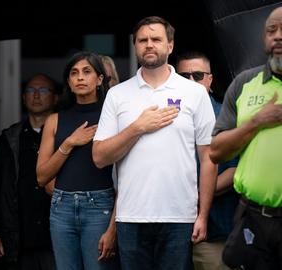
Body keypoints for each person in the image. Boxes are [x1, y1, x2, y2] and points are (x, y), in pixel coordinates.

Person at [92, 16, 217, 270]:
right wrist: (138, 127)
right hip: (130, 218)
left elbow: (208, 158)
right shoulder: (118, 95)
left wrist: (203, 215)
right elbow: (99, 157)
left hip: (179, 217)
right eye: (142, 40)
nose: (149, 44)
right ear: (135, 46)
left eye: (156, 39)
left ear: (170, 45)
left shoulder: (194, 93)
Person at [210, 7, 282, 270]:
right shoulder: (244, 83)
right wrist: (258, 121)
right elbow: (216, 152)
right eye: (271, 30)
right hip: (253, 218)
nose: (277, 37)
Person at [36, 51, 120, 270]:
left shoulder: (112, 117)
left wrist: (113, 228)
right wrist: (70, 142)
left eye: (87, 71)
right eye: (74, 73)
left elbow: (126, 177)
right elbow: (42, 176)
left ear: (100, 79)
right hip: (61, 208)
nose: (80, 77)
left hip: (100, 206)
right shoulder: (55, 120)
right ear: (68, 82)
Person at [0, 73, 58, 270]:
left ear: (56, 98)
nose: (36, 95)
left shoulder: (67, 136)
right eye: (30, 90)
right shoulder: (9, 140)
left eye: (43, 90)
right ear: (23, 98)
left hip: (57, 239)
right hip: (18, 239)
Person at [176, 51, 239, 270]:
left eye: (198, 75)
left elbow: (233, 173)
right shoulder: (163, 118)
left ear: (210, 80)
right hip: (169, 234)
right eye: (184, 76)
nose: (191, 81)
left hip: (214, 233)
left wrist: (192, 199)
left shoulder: (227, 118)